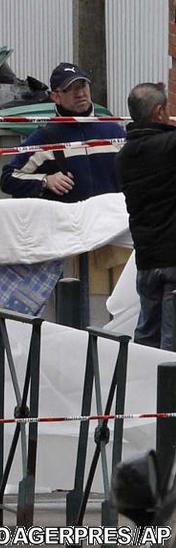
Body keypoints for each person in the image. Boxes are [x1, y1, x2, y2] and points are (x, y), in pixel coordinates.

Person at [0, 62, 126, 202]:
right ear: (55, 97)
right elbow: (8, 179)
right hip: (68, 222)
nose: (80, 93)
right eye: (69, 89)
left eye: (83, 86)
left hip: (111, 220)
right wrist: (46, 181)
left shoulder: (114, 131)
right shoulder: (44, 138)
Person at [116, 82, 176, 351]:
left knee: (146, 341)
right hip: (173, 258)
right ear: (159, 112)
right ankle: (167, 393)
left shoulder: (124, 156)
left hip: (146, 260)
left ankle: (140, 389)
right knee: (170, 346)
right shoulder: (169, 146)